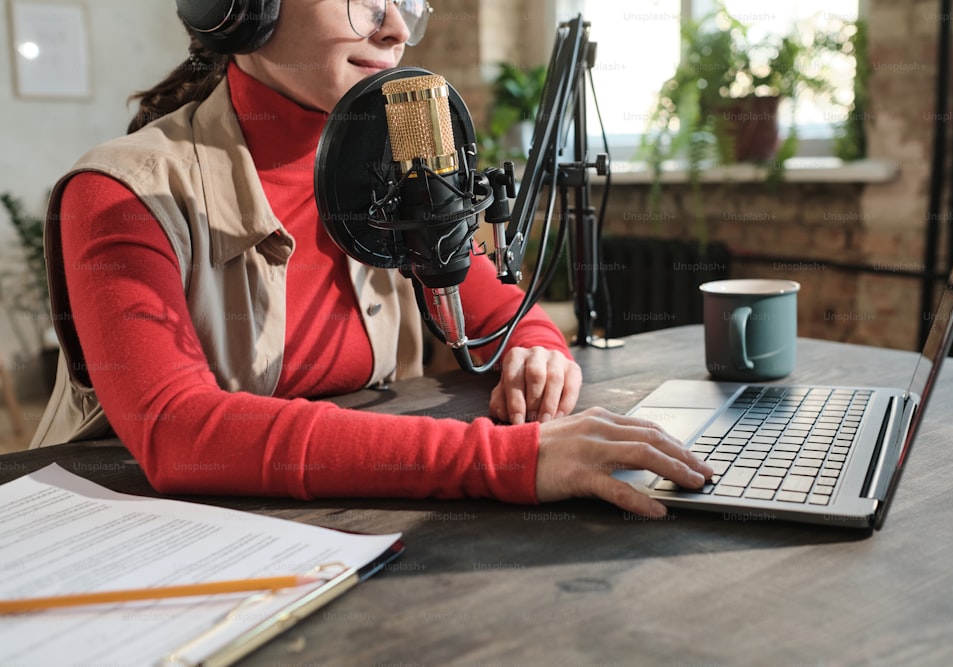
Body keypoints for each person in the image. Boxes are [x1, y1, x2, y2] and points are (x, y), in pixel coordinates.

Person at [31, 0, 712, 518]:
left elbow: (499, 311)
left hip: (331, 526)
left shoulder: (396, 161)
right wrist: (505, 460)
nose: (393, 28)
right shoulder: (120, 193)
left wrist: (537, 350)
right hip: (134, 538)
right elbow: (180, 432)